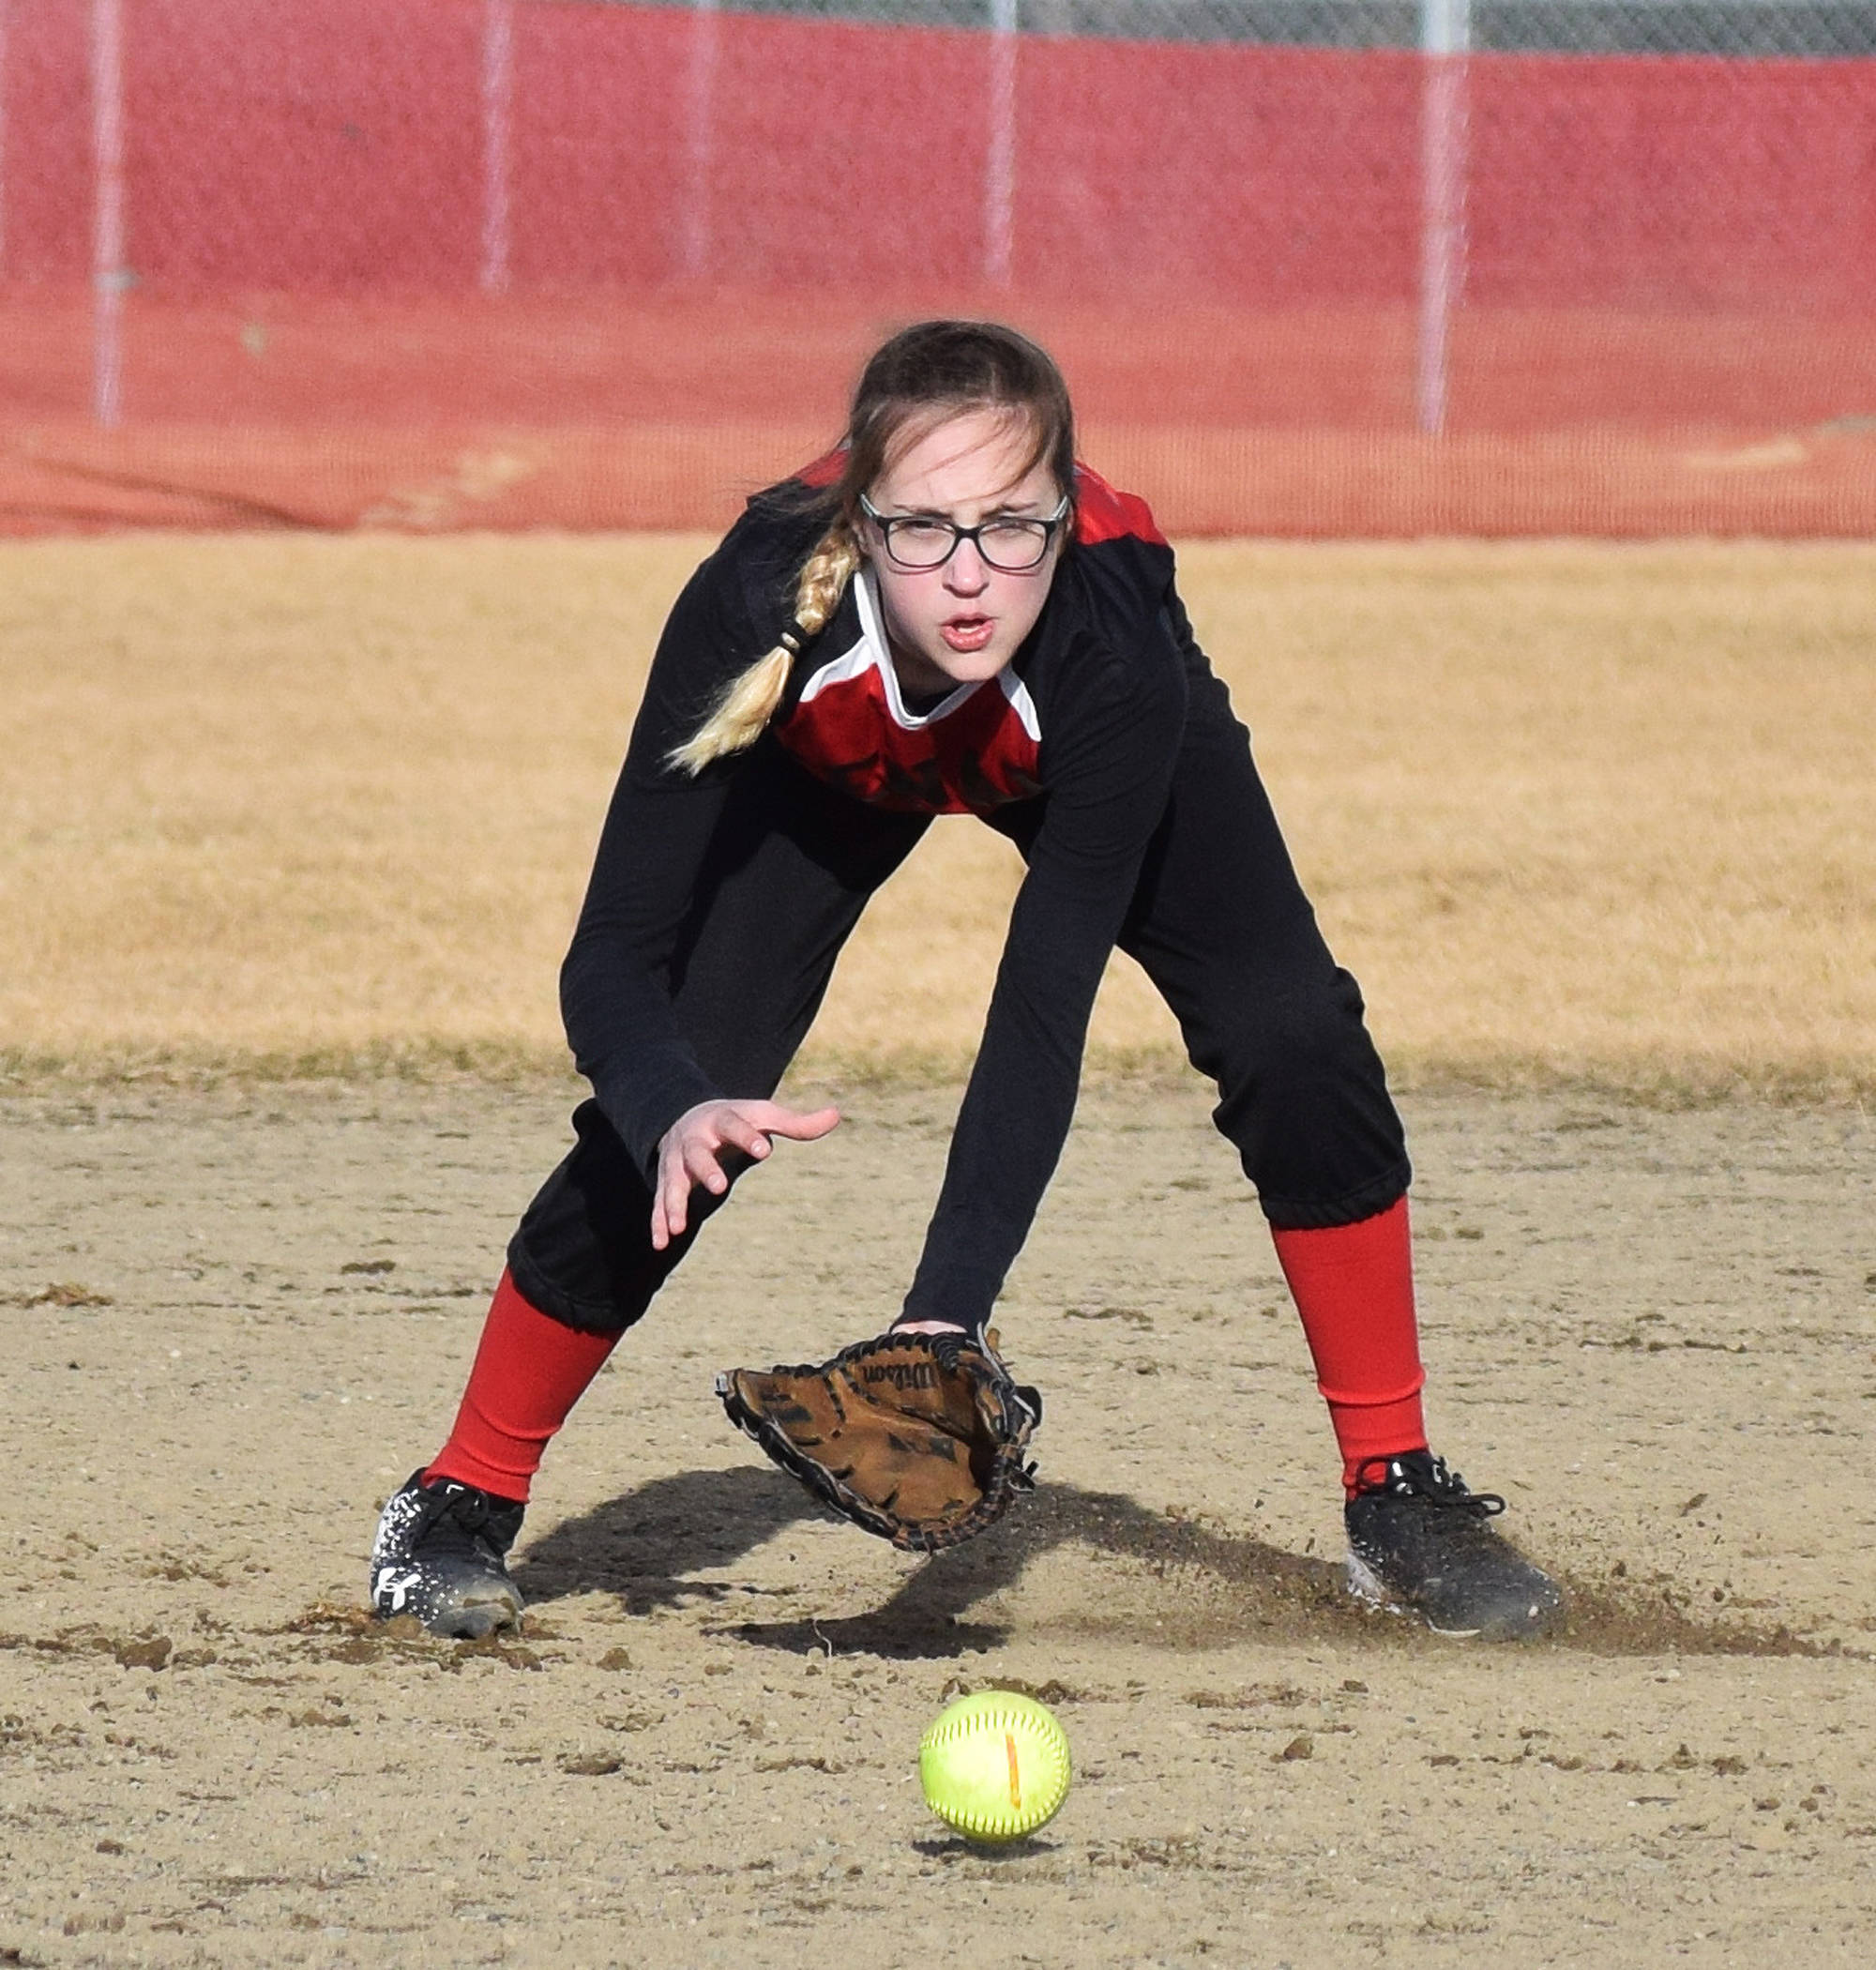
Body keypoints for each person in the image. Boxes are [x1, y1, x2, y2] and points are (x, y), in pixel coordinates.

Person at [368, 321, 1562, 1644]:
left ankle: (1398, 1497)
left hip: (1069, 749)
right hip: (832, 769)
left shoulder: (1111, 647)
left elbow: (1041, 1005)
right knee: (676, 1108)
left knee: (1294, 1035)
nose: (972, 574)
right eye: (925, 528)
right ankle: (456, 1501)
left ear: (1064, 517)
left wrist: (947, 1317)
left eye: (1014, 526)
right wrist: (669, 1105)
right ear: (862, 525)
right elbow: (610, 955)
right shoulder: (759, 600)